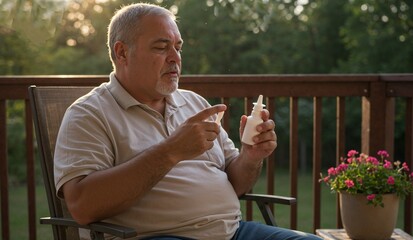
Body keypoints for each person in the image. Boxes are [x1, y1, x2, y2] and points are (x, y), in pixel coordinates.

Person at [53, 2, 322, 240]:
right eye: (161, 47)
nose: (175, 57)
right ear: (122, 53)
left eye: (178, 47)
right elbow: (82, 206)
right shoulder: (89, 113)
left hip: (234, 232)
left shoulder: (193, 103)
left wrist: (251, 157)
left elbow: (236, 182)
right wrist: (171, 151)